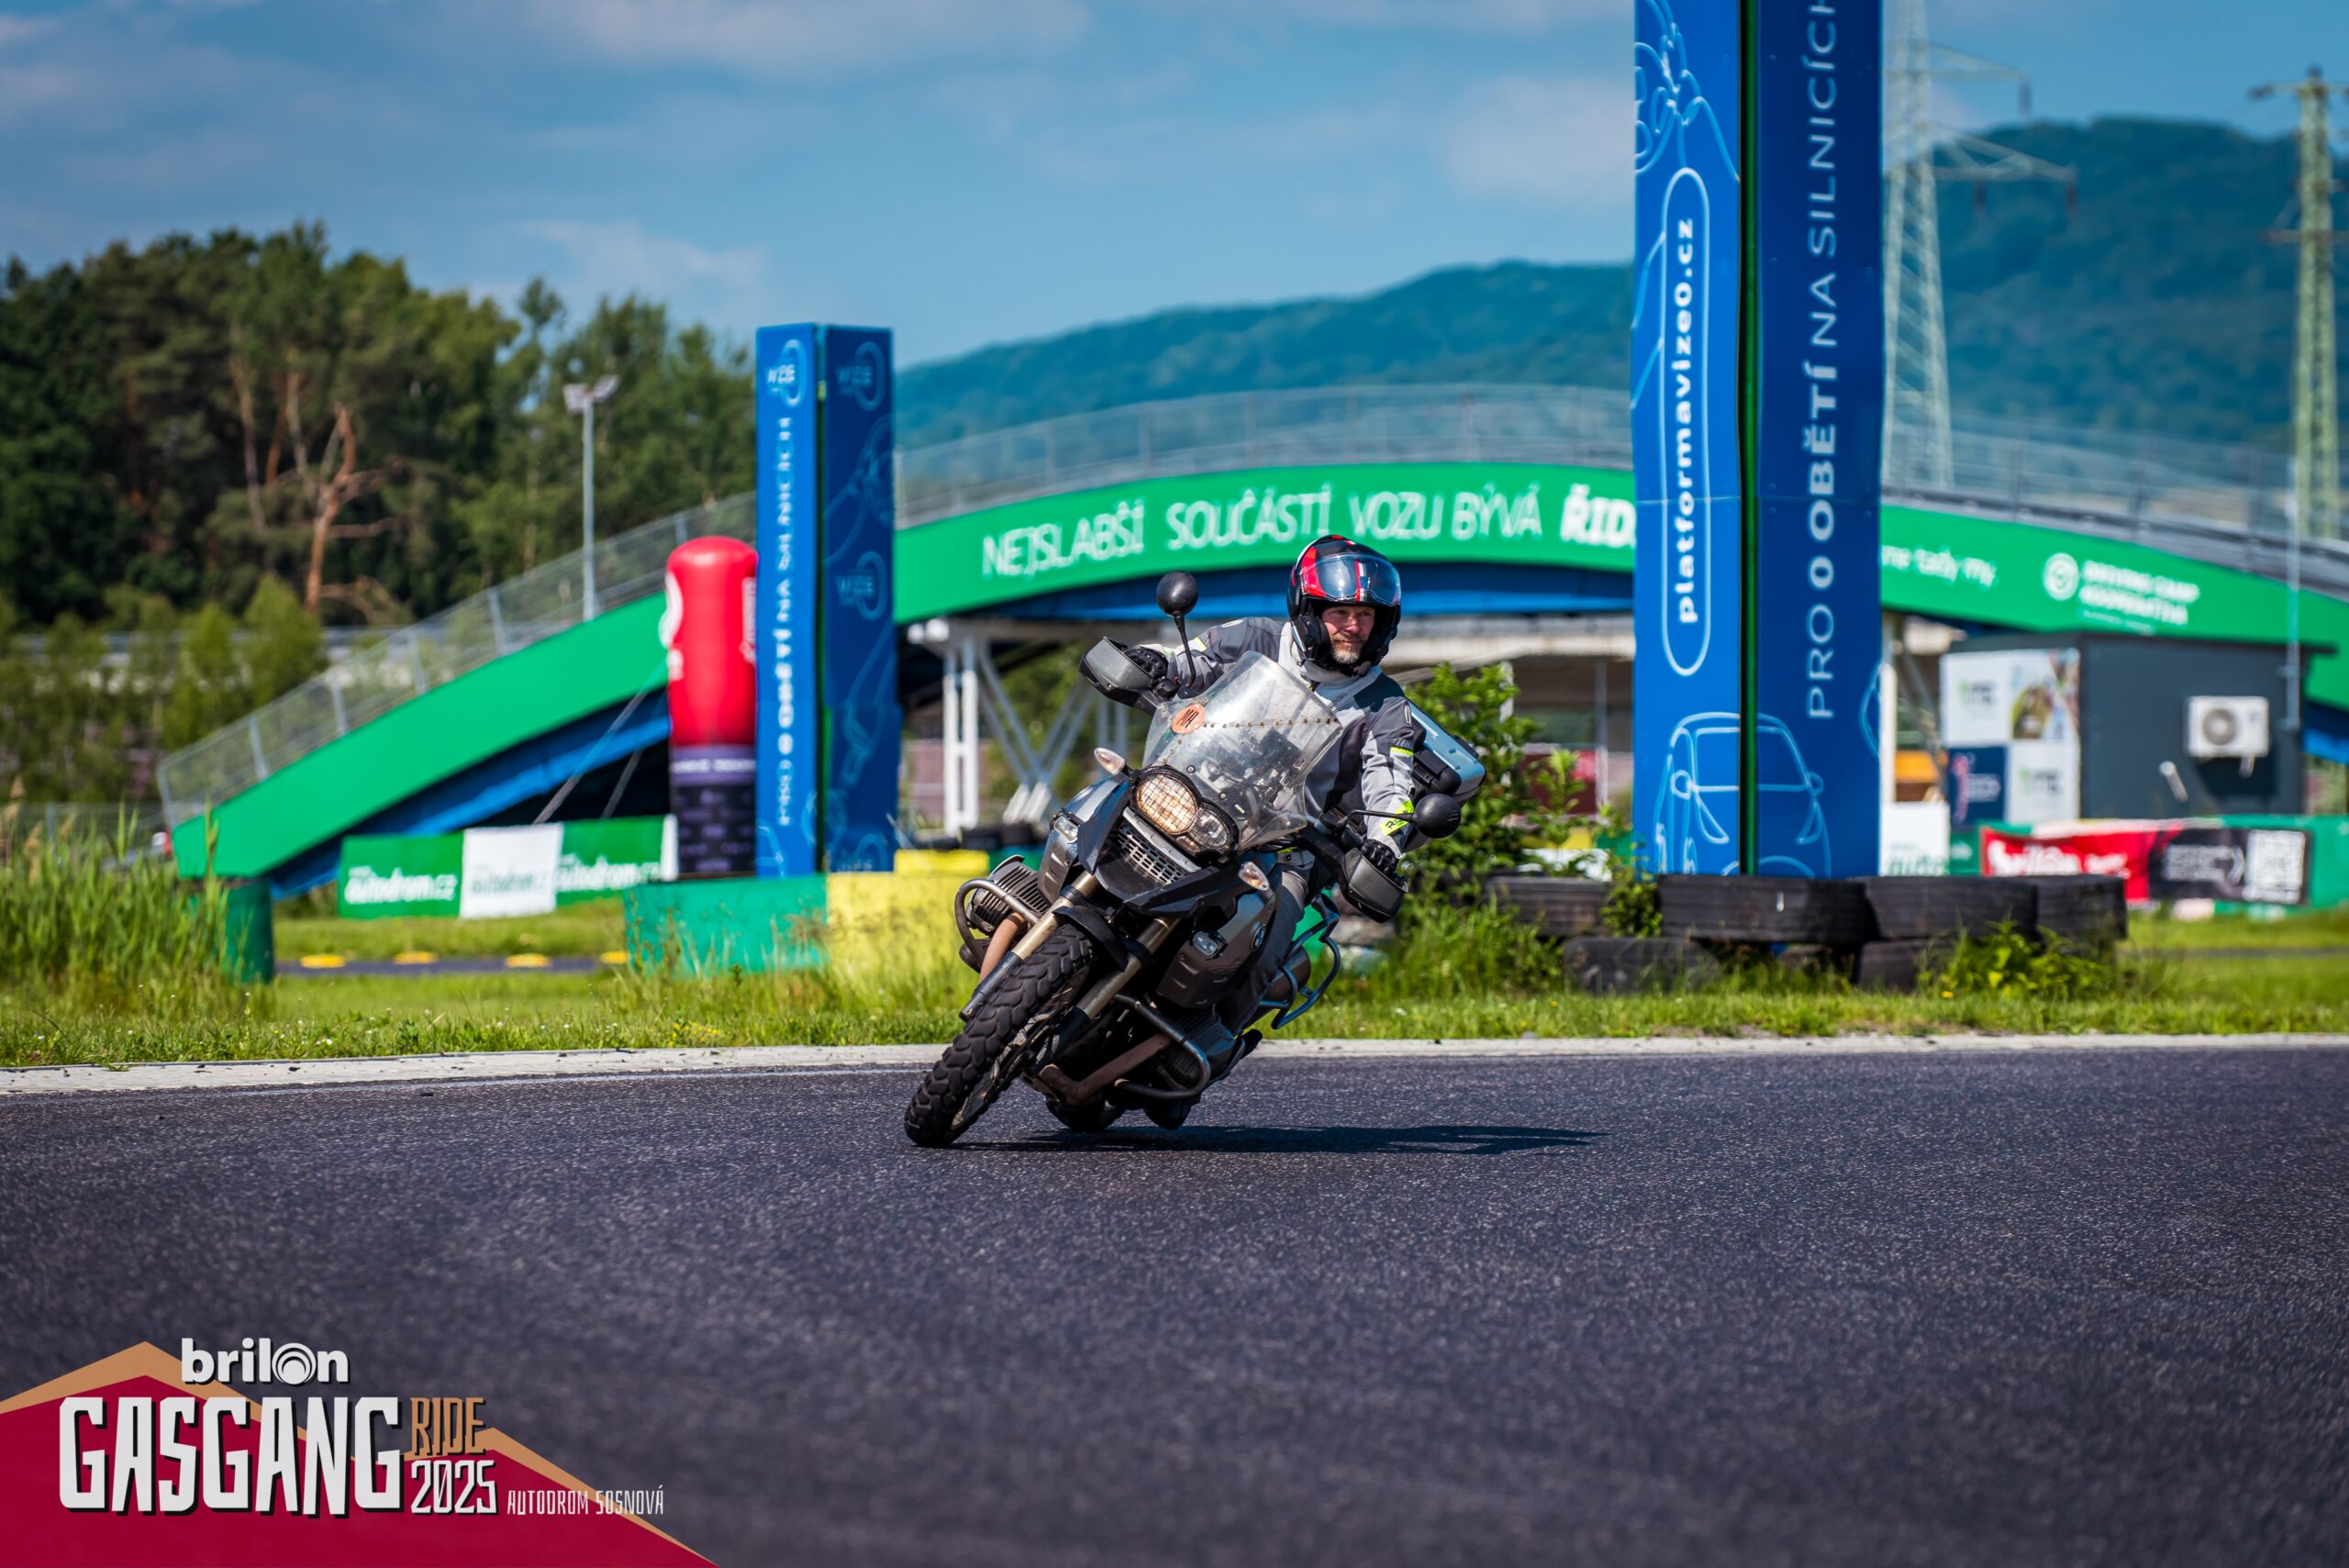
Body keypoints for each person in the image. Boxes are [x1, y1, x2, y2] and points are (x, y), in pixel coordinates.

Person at [1117, 535, 1420, 1028]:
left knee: (1261, 949)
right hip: (1189, 798)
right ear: (1309, 610)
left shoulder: (1385, 705)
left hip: (1281, 848)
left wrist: (1384, 841)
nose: (1353, 626)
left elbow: (1392, 783)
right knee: (1094, 813)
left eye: (1366, 615)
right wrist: (1153, 661)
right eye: (1340, 612)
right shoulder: (1254, 637)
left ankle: (1207, 1039)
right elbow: (1187, 660)